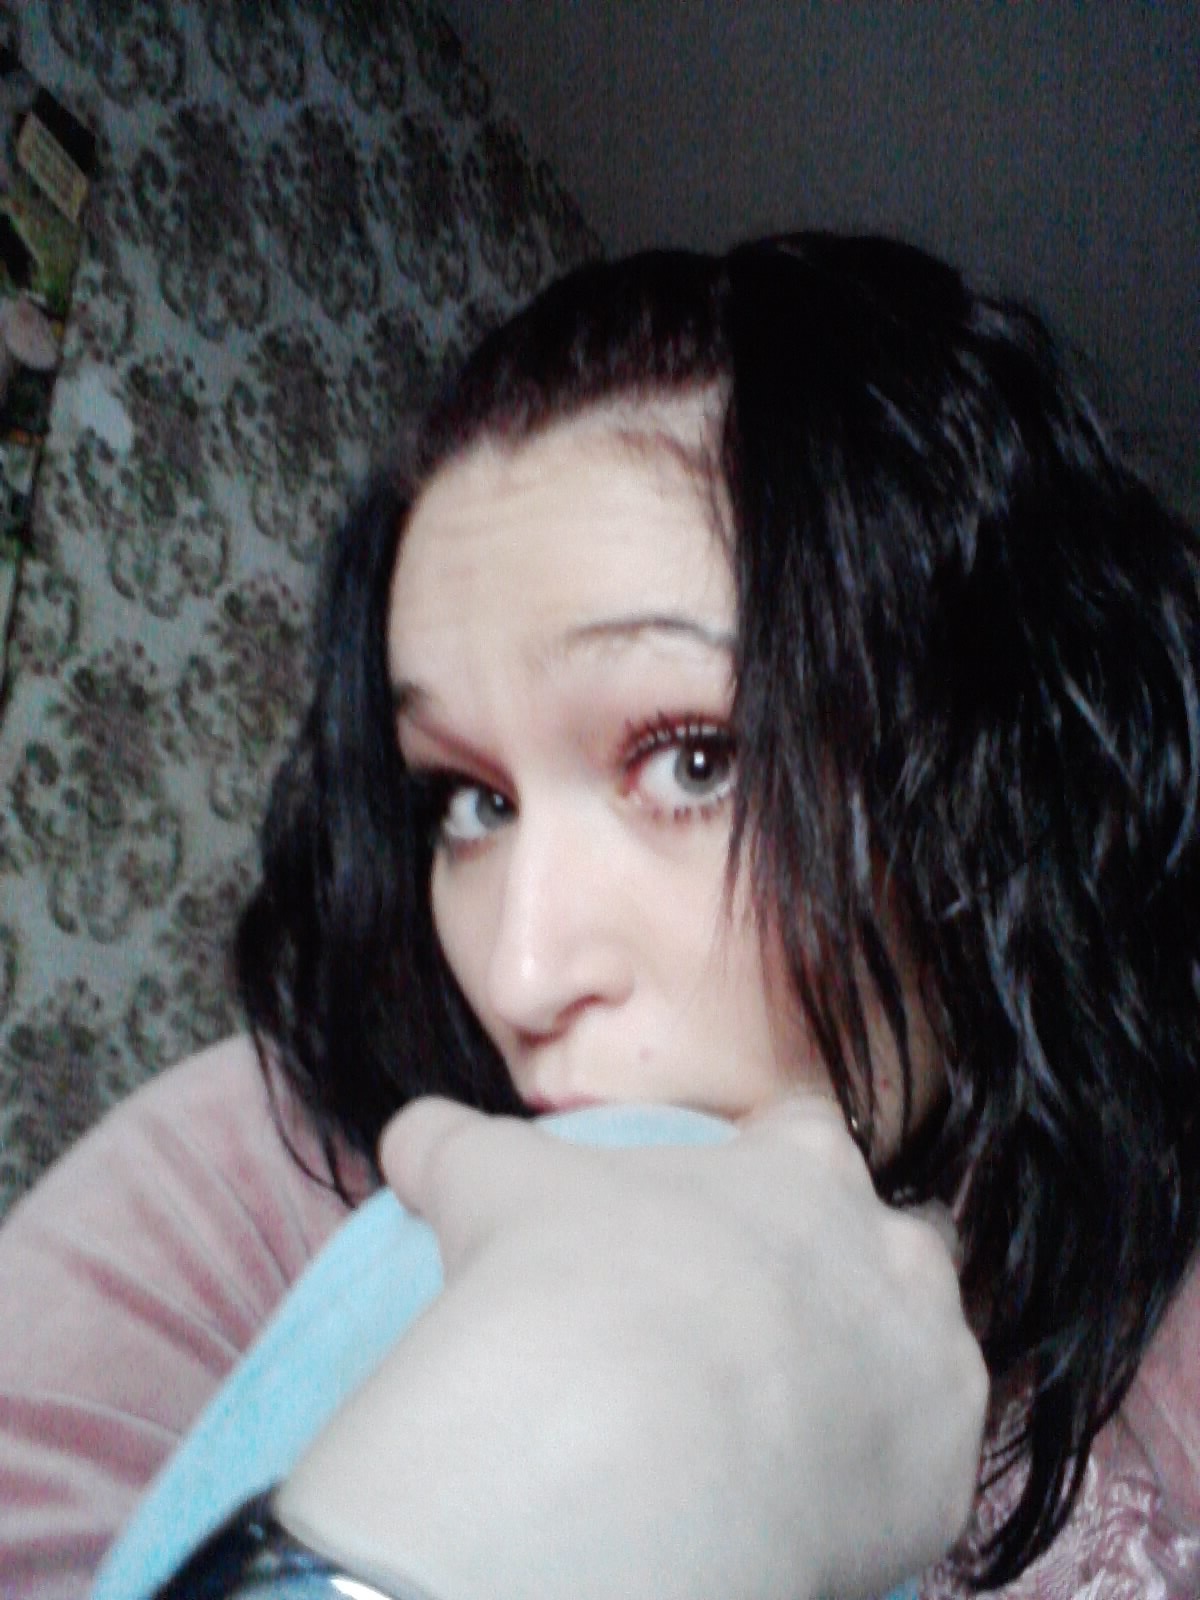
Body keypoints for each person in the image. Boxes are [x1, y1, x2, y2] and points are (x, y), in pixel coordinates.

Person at [0, 230, 1197, 1598]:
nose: (519, 975)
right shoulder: (260, 1172)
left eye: (695, 761)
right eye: (469, 801)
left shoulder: (1161, 1307)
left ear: (996, 778)